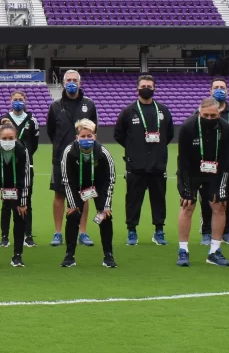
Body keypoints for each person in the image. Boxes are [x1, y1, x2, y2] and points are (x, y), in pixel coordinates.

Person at [114, 74, 174, 246]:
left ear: (154, 88)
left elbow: (168, 135)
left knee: (159, 200)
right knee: (133, 200)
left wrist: (158, 149)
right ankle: (132, 231)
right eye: (143, 86)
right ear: (137, 89)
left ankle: (159, 231)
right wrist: (133, 148)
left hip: (158, 165)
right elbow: (119, 135)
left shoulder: (163, 110)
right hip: (135, 166)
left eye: (149, 85)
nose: (146, 88)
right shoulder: (128, 111)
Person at [176, 97, 229, 267]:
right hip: (191, 172)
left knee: (219, 206)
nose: (209, 119)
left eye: (213, 116)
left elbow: (227, 160)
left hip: (214, 173)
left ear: (219, 113)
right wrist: (186, 188)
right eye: (205, 115)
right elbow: (183, 159)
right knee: (187, 205)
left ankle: (214, 251)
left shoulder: (226, 129)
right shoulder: (188, 127)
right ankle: (183, 250)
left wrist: (221, 187)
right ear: (199, 112)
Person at [47, 69, 98, 247]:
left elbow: (93, 131)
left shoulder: (89, 105)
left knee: (83, 195)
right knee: (59, 194)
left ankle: (82, 233)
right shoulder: (55, 106)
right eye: (68, 79)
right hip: (60, 158)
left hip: (84, 158)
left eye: (74, 80)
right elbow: (51, 132)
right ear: (63, 83)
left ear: (80, 83)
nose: (71, 82)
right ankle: (58, 232)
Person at [60, 119, 117, 268]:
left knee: (105, 217)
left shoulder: (103, 153)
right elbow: (67, 180)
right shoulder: (69, 152)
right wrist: (72, 204)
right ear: (77, 138)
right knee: (72, 215)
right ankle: (69, 256)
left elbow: (110, 179)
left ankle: (108, 255)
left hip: (98, 186)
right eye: (83, 136)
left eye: (89, 136)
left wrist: (106, 205)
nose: (86, 139)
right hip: (77, 186)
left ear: (95, 137)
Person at [199, 78, 229, 246]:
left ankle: (227, 231)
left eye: (222, 87)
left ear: (228, 91)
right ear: (210, 91)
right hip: (209, 166)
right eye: (216, 87)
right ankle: (206, 232)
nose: (219, 90)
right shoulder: (202, 112)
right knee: (207, 200)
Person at [0, 120, 30, 267]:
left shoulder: (22, 150)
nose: (8, 141)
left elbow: (25, 176)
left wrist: (23, 202)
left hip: (15, 185)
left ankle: (17, 255)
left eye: (11, 138)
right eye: (4, 138)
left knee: (20, 215)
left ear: (16, 138)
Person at [0, 90, 39, 248]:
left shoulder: (32, 120)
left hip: (26, 166)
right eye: (15, 99)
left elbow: (34, 144)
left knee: (26, 200)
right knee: (6, 202)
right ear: (10, 101)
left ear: (25, 101)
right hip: (7, 165)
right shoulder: (4, 119)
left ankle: (27, 235)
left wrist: (24, 157)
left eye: (21, 99)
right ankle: (5, 236)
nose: (18, 102)